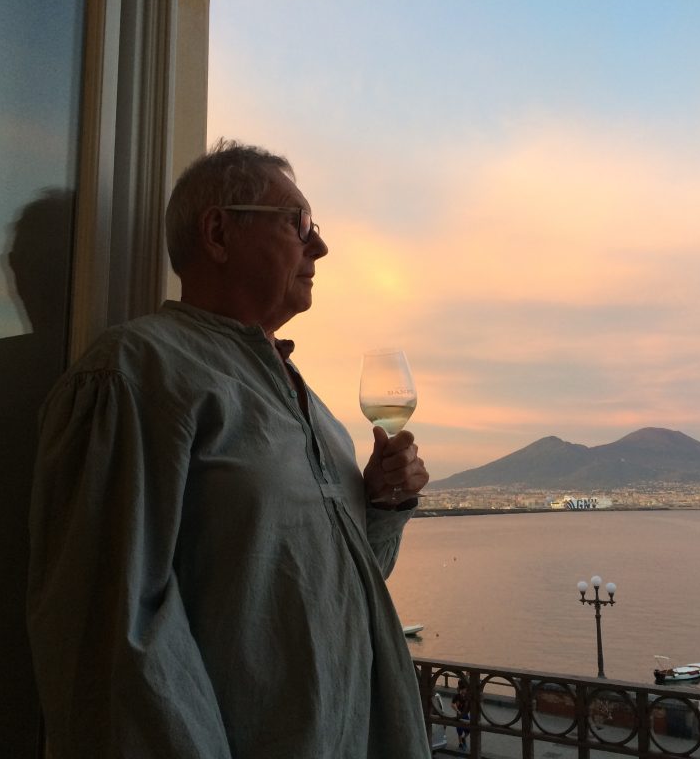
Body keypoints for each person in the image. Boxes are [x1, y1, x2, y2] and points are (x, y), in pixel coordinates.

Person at [26, 140, 431, 758]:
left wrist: (383, 505)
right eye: (299, 224)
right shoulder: (137, 374)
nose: (319, 246)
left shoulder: (316, 412)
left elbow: (343, 587)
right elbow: (113, 641)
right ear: (218, 232)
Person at [451, 679, 471, 752]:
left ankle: (463, 738)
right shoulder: (457, 696)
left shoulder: (467, 695)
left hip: (465, 714)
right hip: (459, 715)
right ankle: (460, 743)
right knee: (459, 730)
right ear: (461, 689)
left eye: (465, 689)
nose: (465, 691)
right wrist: (457, 711)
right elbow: (452, 704)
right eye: (464, 689)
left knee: (468, 730)